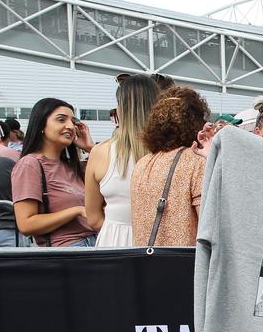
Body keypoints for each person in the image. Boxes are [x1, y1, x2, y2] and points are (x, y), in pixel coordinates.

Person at [85, 74, 160, 247]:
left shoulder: (100, 152)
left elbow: (93, 218)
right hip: (159, 243)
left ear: (120, 109)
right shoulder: (172, 152)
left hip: (113, 243)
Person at [11, 98, 95, 247]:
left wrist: (90, 148)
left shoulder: (74, 166)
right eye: (61, 120)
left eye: (73, 121)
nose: (70, 126)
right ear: (41, 125)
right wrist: (76, 211)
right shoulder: (30, 164)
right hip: (67, 252)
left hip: (96, 245)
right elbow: (26, 224)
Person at [131, 87, 208, 247]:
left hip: (148, 265)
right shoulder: (196, 161)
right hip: (184, 265)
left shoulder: (142, 163)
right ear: (196, 123)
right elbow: (208, 226)